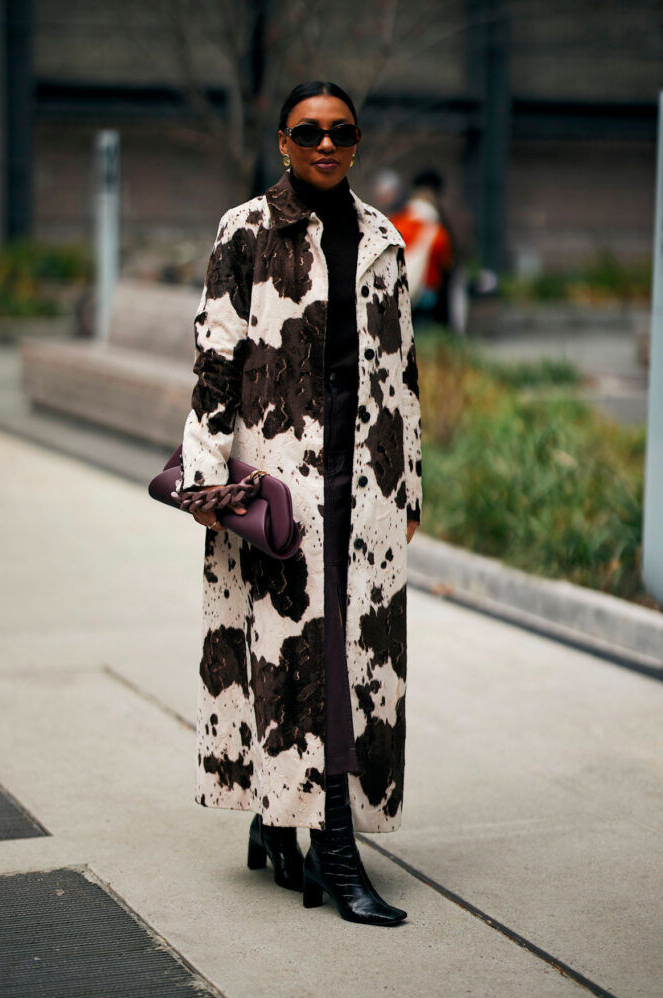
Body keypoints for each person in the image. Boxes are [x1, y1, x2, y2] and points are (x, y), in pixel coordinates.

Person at [174, 80, 422, 927]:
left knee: (354, 661)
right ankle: (333, 848)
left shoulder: (386, 238)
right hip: (279, 485)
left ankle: (273, 826)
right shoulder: (245, 230)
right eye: (308, 131)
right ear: (283, 141)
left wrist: (410, 483)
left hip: (368, 489)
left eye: (342, 131)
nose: (326, 144)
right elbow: (215, 359)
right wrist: (207, 483)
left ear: (356, 141)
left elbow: (402, 376)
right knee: (302, 665)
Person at [390, 169, 454, 328]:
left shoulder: (396, 222)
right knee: (423, 331)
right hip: (427, 290)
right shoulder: (438, 230)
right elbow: (445, 261)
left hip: (398, 285)